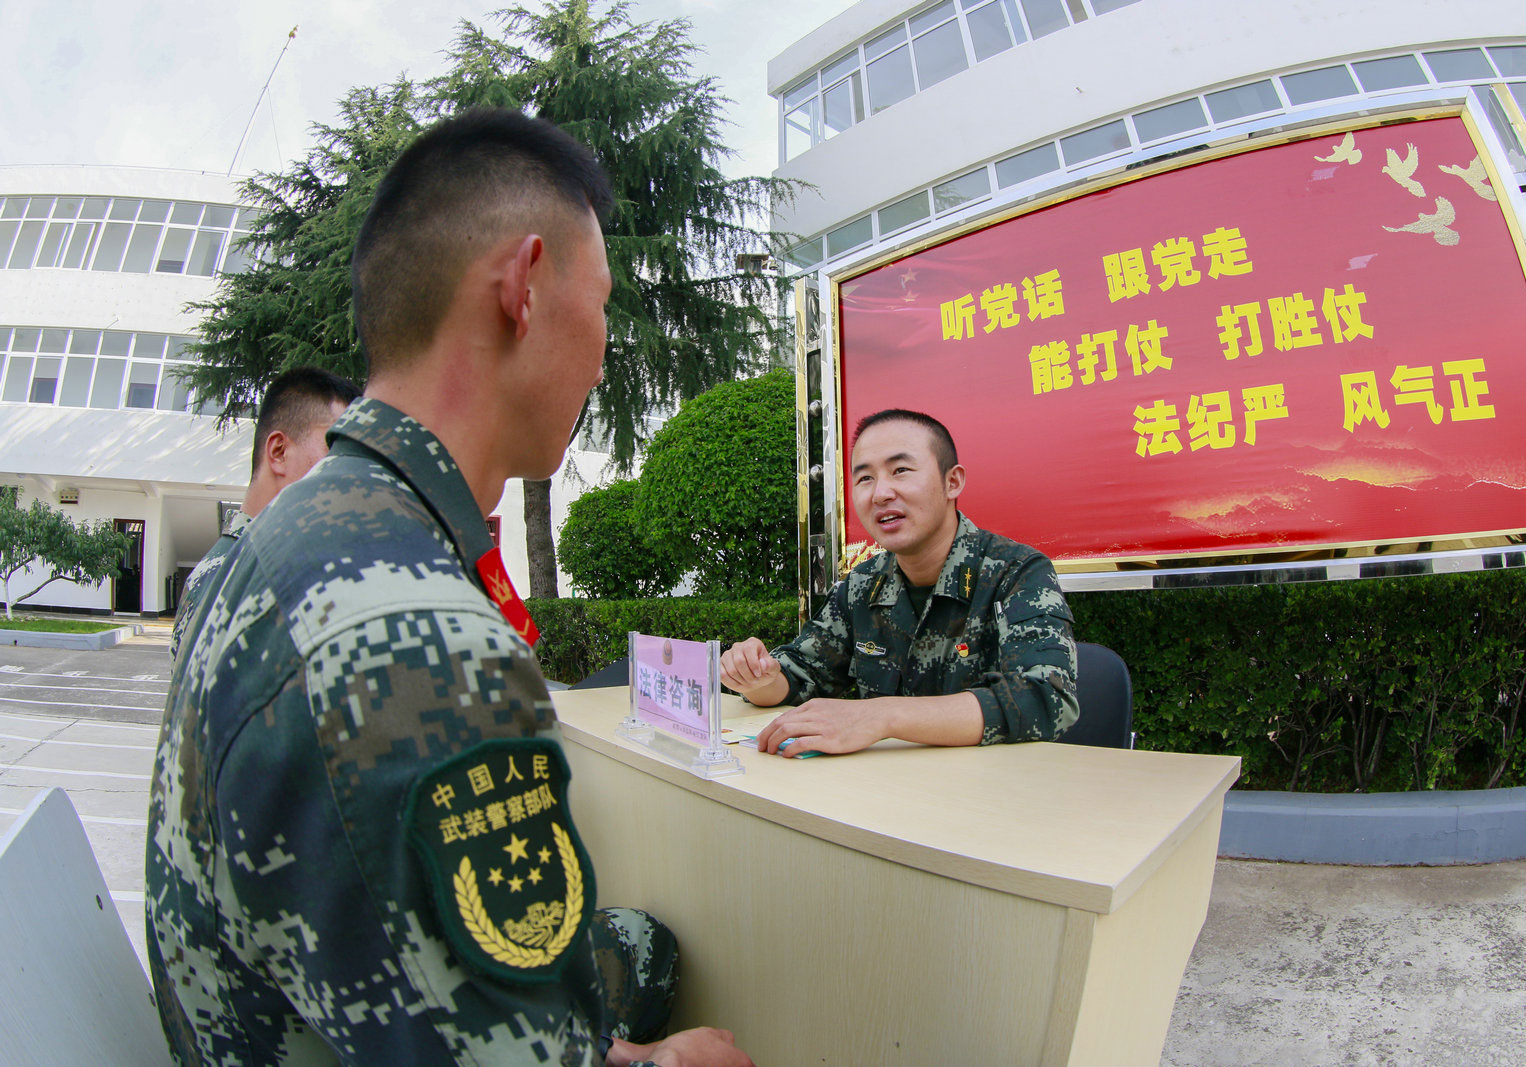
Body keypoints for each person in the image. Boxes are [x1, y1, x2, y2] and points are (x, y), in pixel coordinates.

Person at [146, 108, 751, 1067]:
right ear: (524, 285)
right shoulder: (426, 641)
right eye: (598, 306)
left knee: (636, 944)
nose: (602, 351)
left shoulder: (267, 540)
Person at [720, 409, 1078, 758]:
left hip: (988, 798)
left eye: (900, 470)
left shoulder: (1016, 572)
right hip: (884, 797)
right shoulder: (862, 584)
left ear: (952, 482)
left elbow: (1045, 699)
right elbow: (803, 674)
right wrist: (759, 677)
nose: (880, 494)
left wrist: (882, 716)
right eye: (865, 478)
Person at [168, 367, 359, 659]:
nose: (348, 470)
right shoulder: (236, 575)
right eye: (335, 448)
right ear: (279, 451)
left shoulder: (264, 561)